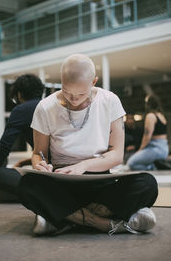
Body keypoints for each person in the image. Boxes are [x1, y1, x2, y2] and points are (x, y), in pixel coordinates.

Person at [17, 54, 158, 236]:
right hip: (62, 182)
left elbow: (116, 155)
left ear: (94, 81)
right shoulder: (45, 107)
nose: (74, 99)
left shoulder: (110, 100)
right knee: (27, 184)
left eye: (81, 93)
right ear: (61, 81)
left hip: (100, 182)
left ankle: (63, 217)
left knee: (147, 183)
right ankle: (102, 223)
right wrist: (39, 164)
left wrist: (83, 166)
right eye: (67, 92)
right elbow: (38, 153)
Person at [0, 74, 44, 200]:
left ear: (19, 94)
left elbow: (2, 152)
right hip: (63, 175)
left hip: (41, 180)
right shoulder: (51, 107)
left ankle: (39, 194)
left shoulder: (21, 110)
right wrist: (23, 162)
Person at [126, 94, 169, 171]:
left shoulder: (150, 116)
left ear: (148, 104)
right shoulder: (161, 115)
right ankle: (154, 165)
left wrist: (140, 150)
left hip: (155, 148)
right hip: (164, 148)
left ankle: (153, 167)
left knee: (131, 163)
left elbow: (147, 136)